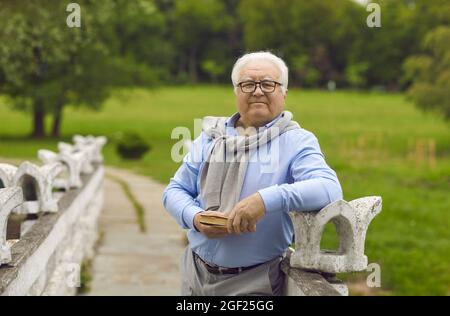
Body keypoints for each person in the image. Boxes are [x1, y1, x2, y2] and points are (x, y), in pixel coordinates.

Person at [162, 51, 343, 296]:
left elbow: (329, 188)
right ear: (237, 91)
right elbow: (175, 190)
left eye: (268, 83)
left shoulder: (296, 141)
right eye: (248, 84)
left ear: (284, 93)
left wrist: (264, 200)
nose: (258, 91)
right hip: (195, 273)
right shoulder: (211, 136)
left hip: (254, 282)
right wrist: (194, 217)